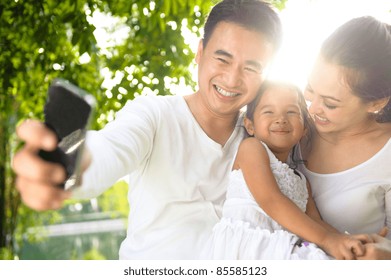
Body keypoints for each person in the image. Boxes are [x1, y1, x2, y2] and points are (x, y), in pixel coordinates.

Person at [11, 0, 283, 259]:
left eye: (251, 67)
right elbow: (111, 148)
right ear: (199, 53)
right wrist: (74, 160)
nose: (232, 78)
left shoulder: (265, 136)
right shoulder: (154, 115)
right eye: (222, 59)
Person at [202, 81, 364, 260]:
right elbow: (270, 200)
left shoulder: (302, 181)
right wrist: (327, 240)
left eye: (291, 112)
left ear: (304, 128)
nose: (281, 119)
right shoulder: (252, 148)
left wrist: (346, 241)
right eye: (268, 111)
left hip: (281, 248)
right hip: (248, 247)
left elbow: (315, 221)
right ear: (250, 125)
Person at [297, 16, 391, 259]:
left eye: (329, 103)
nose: (312, 109)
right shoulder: (288, 122)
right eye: (310, 89)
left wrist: (386, 256)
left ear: (376, 103)